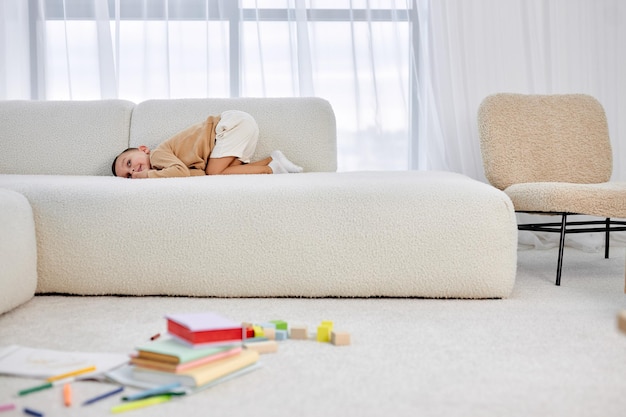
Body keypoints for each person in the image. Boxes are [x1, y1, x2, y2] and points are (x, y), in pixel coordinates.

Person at [112, 110, 303, 178]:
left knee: (215, 172)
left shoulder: (157, 155)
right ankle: (273, 159)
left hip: (228, 126)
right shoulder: (165, 167)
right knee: (227, 172)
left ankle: (270, 170)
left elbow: (180, 171)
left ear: (143, 149)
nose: (133, 171)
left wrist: (146, 175)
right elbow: (192, 174)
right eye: (129, 176)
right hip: (237, 127)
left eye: (129, 163)